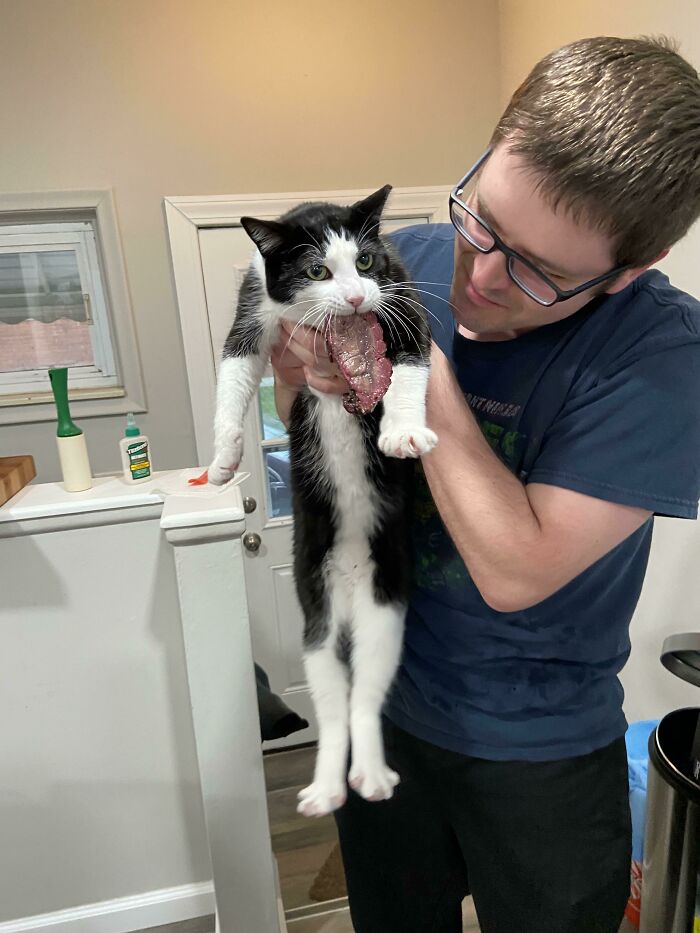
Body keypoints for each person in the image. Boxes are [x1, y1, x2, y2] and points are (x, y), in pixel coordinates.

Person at [272, 36, 700, 933]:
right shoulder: (409, 255)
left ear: (627, 274)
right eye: (481, 219)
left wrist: (416, 367)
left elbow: (517, 570)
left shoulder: (667, 357)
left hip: (539, 748)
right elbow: (304, 422)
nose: (481, 274)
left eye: (539, 272)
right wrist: (303, 375)